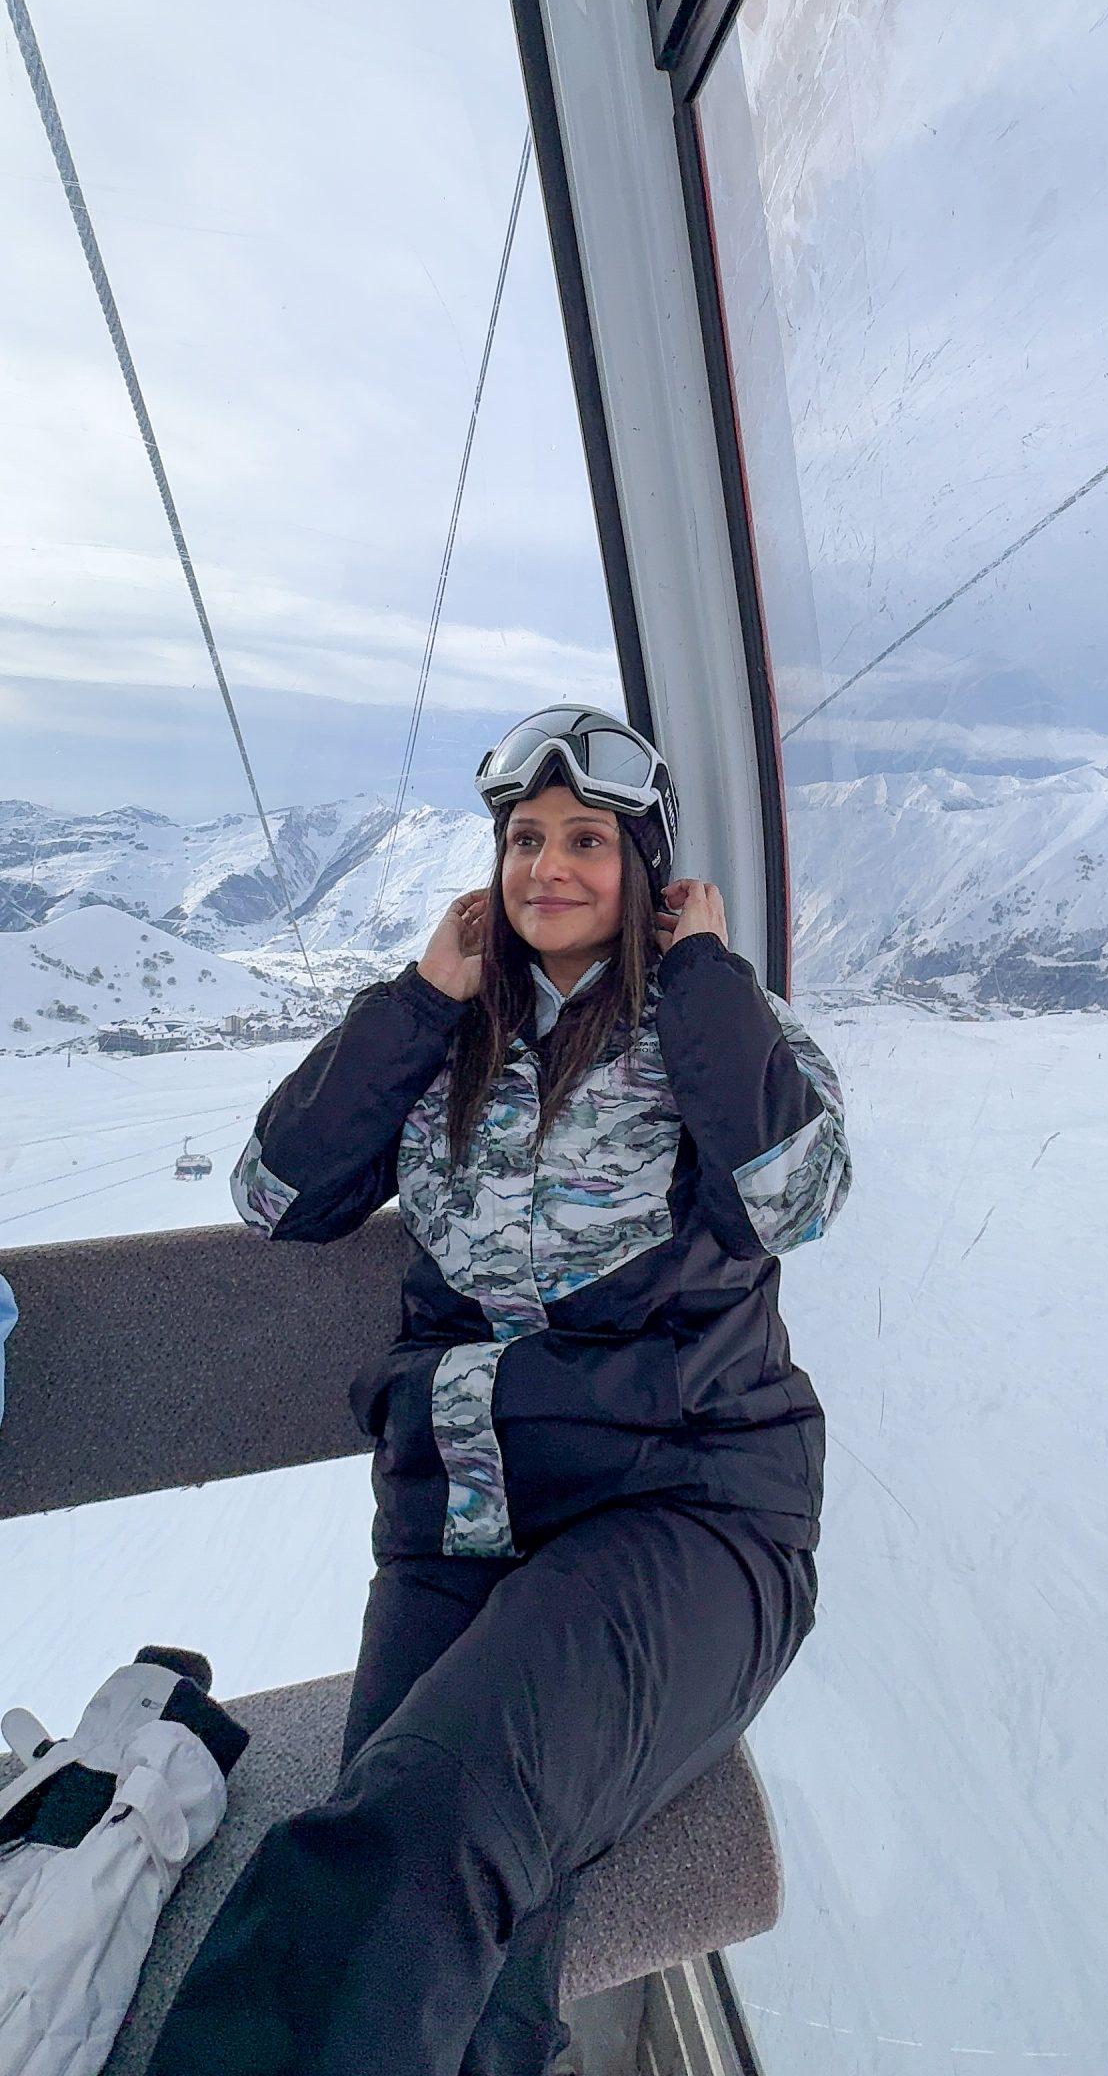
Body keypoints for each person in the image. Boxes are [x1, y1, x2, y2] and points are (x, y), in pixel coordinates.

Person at [145, 704, 850, 2076]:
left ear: (646, 867)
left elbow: (794, 1196)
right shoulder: (448, 1040)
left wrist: (703, 972)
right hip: (460, 1515)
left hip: (683, 1508)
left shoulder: (720, 1021)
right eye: (526, 838)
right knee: (447, 1908)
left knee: (418, 1828)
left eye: (589, 839)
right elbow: (276, 1194)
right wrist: (420, 1003)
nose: (550, 867)